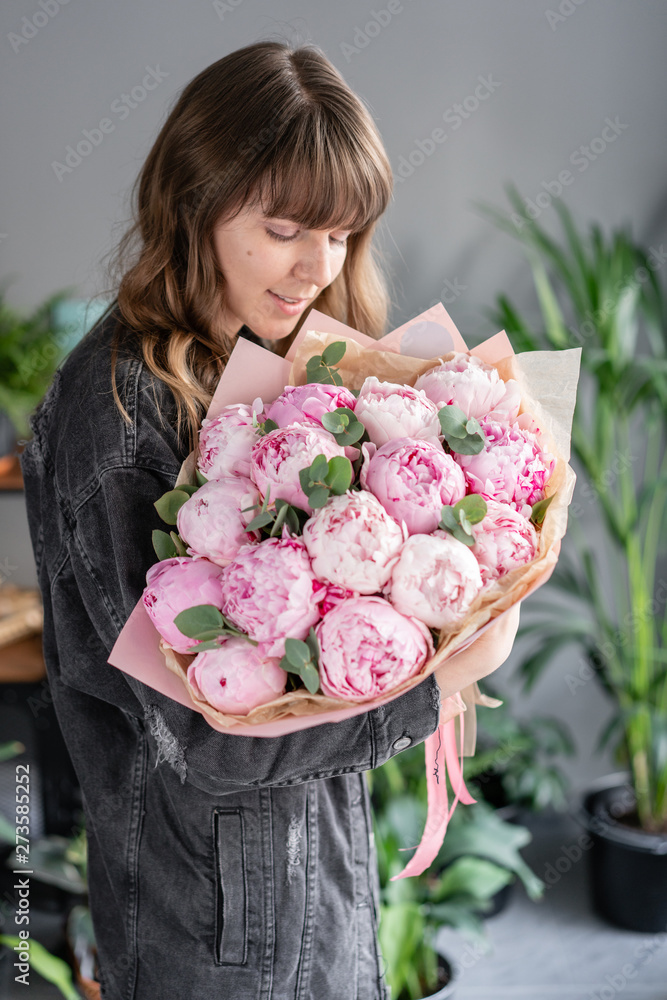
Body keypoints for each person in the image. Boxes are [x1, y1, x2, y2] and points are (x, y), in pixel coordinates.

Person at [21, 41, 520, 1000]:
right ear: (193, 203)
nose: (317, 266)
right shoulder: (123, 418)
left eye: (341, 233)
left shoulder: (269, 361)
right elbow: (198, 737)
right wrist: (436, 683)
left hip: (307, 877)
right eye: (286, 227)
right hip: (212, 924)